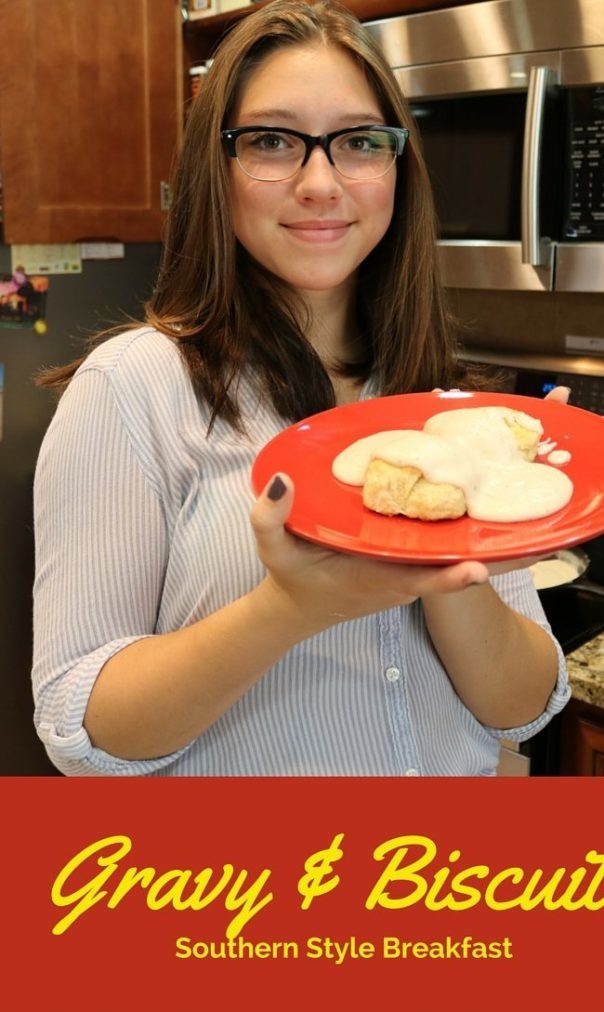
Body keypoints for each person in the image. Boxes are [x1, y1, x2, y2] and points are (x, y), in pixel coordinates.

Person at [32, 0, 570, 777]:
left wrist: (459, 549)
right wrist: (290, 609)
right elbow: (82, 727)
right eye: (273, 142)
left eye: (357, 142)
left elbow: (518, 708)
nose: (320, 183)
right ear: (215, 167)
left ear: (396, 167)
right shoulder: (132, 389)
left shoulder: (445, 414)